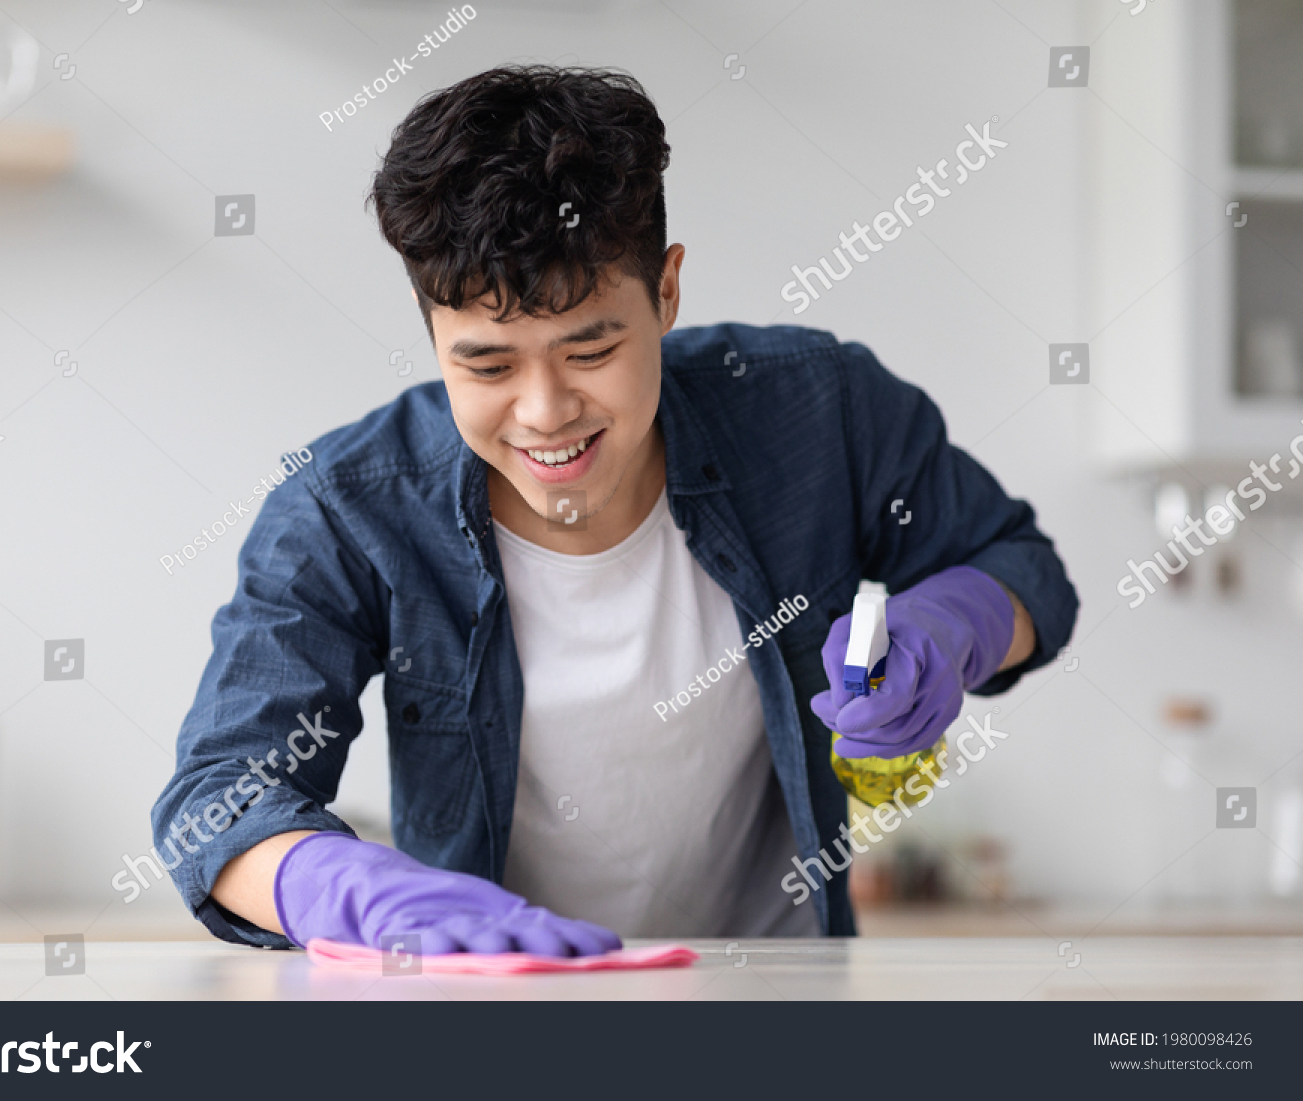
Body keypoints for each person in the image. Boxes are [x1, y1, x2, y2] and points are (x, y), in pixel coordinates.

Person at [151, 65, 1078, 954]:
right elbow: (218, 796)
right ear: (431, 335)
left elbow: (1023, 568)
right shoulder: (349, 510)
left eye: (590, 350)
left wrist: (954, 628)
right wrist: (342, 886)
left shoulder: (816, 409)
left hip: (784, 994)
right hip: (498, 1007)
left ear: (666, 289)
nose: (546, 412)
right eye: (487, 364)